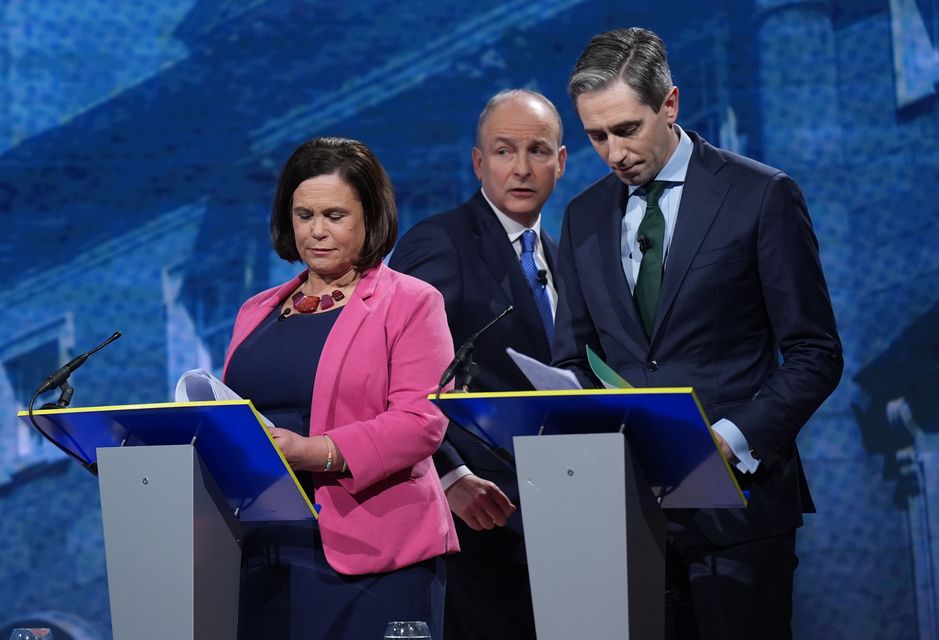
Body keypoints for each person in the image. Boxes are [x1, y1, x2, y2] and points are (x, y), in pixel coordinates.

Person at [552, 28, 843, 639]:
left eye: (626, 129)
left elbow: (816, 354)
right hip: (628, 516)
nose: (613, 153)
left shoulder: (761, 195)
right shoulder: (581, 216)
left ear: (670, 104)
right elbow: (574, 359)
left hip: (739, 512)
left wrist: (730, 440)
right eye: (595, 137)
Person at [222, 137, 459, 640]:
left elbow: (423, 422)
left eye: (334, 215)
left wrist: (310, 452)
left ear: (371, 218)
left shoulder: (413, 302)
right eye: (303, 215)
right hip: (264, 550)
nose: (316, 231)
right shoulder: (254, 311)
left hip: (375, 556)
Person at [389, 89, 566, 639]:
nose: (520, 168)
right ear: (478, 161)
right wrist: (448, 473)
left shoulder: (562, 257)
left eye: (537, 151)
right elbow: (394, 368)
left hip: (560, 520)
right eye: (503, 150)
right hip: (475, 525)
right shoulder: (440, 242)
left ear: (560, 163)